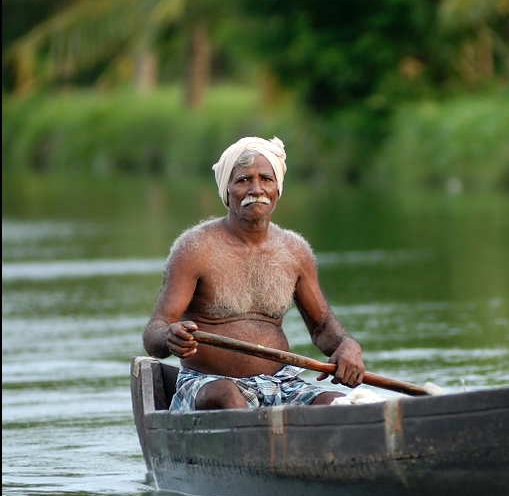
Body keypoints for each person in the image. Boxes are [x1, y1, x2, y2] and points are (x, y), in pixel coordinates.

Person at [142, 135, 365, 410]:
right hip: (208, 383)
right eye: (243, 180)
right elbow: (154, 333)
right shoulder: (195, 248)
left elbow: (321, 327)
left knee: (340, 405)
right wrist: (170, 337)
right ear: (227, 191)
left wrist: (346, 345)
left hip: (281, 382)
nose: (256, 189)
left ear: (277, 189)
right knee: (228, 397)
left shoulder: (295, 251)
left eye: (266, 179)